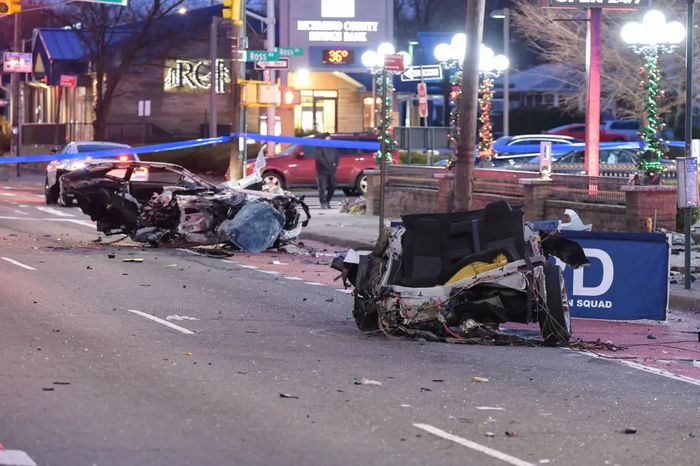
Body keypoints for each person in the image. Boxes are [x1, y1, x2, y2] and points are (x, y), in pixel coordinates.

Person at [315, 133, 339, 209]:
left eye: (329, 137)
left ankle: (328, 201)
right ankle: (323, 202)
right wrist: (326, 165)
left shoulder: (333, 147)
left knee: (332, 186)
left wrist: (335, 165)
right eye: (327, 137)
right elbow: (319, 158)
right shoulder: (319, 147)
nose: (329, 139)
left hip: (332, 170)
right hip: (322, 171)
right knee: (322, 187)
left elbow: (337, 157)